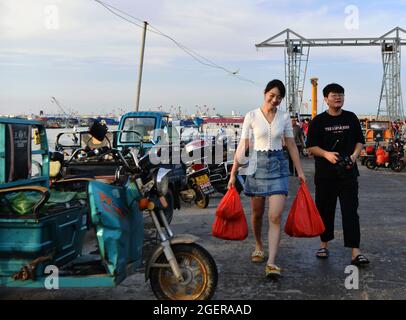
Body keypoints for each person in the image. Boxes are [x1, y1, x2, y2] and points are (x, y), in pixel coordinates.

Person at [228, 79, 306, 279]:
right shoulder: (251, 116)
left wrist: (300, 170)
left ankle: (271, 262)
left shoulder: (284, 117)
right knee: (257, 213)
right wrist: (234, 171)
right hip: (256, 165)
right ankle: (258, 245)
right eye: (272, 95)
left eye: (279, 97)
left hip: (278, 166)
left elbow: (291, 145)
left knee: (275, 216)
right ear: (265, 93)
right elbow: (243, 145)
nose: (275, 100)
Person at [306, 83, 370, 267]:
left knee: (351, 212)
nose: (338, 98)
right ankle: (323, 244)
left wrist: (354, 156)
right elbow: (311, 146)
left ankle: (355, 251)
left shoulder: (351, 118)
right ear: (326, 99)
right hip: (326, 175)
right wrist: (326, 154)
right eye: (334, 95)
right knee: (325, 210)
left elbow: (360, 141)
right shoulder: (318, 121)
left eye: (341, 94)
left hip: (348, 173)